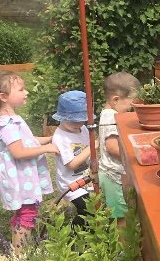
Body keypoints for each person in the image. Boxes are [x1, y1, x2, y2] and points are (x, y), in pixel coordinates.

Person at [0, 71, 57, 252]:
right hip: (20, 176)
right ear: (3, 97)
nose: (26, 92)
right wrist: (47, 148)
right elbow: (19, 152)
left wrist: (49, 139)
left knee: (22, 210)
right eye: (21, 89)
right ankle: (20, 253)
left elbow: (26, 141)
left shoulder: (9, 119)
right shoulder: (8, 124)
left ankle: (16, 247)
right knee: (28, 211)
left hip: (18, 175)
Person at [98, 72, 141, 227]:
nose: (132, 107)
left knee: (126, 212)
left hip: (115, 175)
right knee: (122, 217)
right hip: (113, 176)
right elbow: (112, 147)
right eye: (131, 102)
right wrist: (134, 154)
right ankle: (123, 242)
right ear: (116, 100)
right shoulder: (111, 117)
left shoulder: (109, 114)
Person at [52, 91, 93, 228]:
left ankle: (90, 231)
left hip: (86, 178)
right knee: (86, 208)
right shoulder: (60, 138)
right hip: (70, 183)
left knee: (93, 208)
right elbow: (73, 164)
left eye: (82, 119)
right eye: (74, 120)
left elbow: (90, 154)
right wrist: (92, 147)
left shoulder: (83, 129)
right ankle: (76, 233)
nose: (79, 123)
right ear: (61, 117)